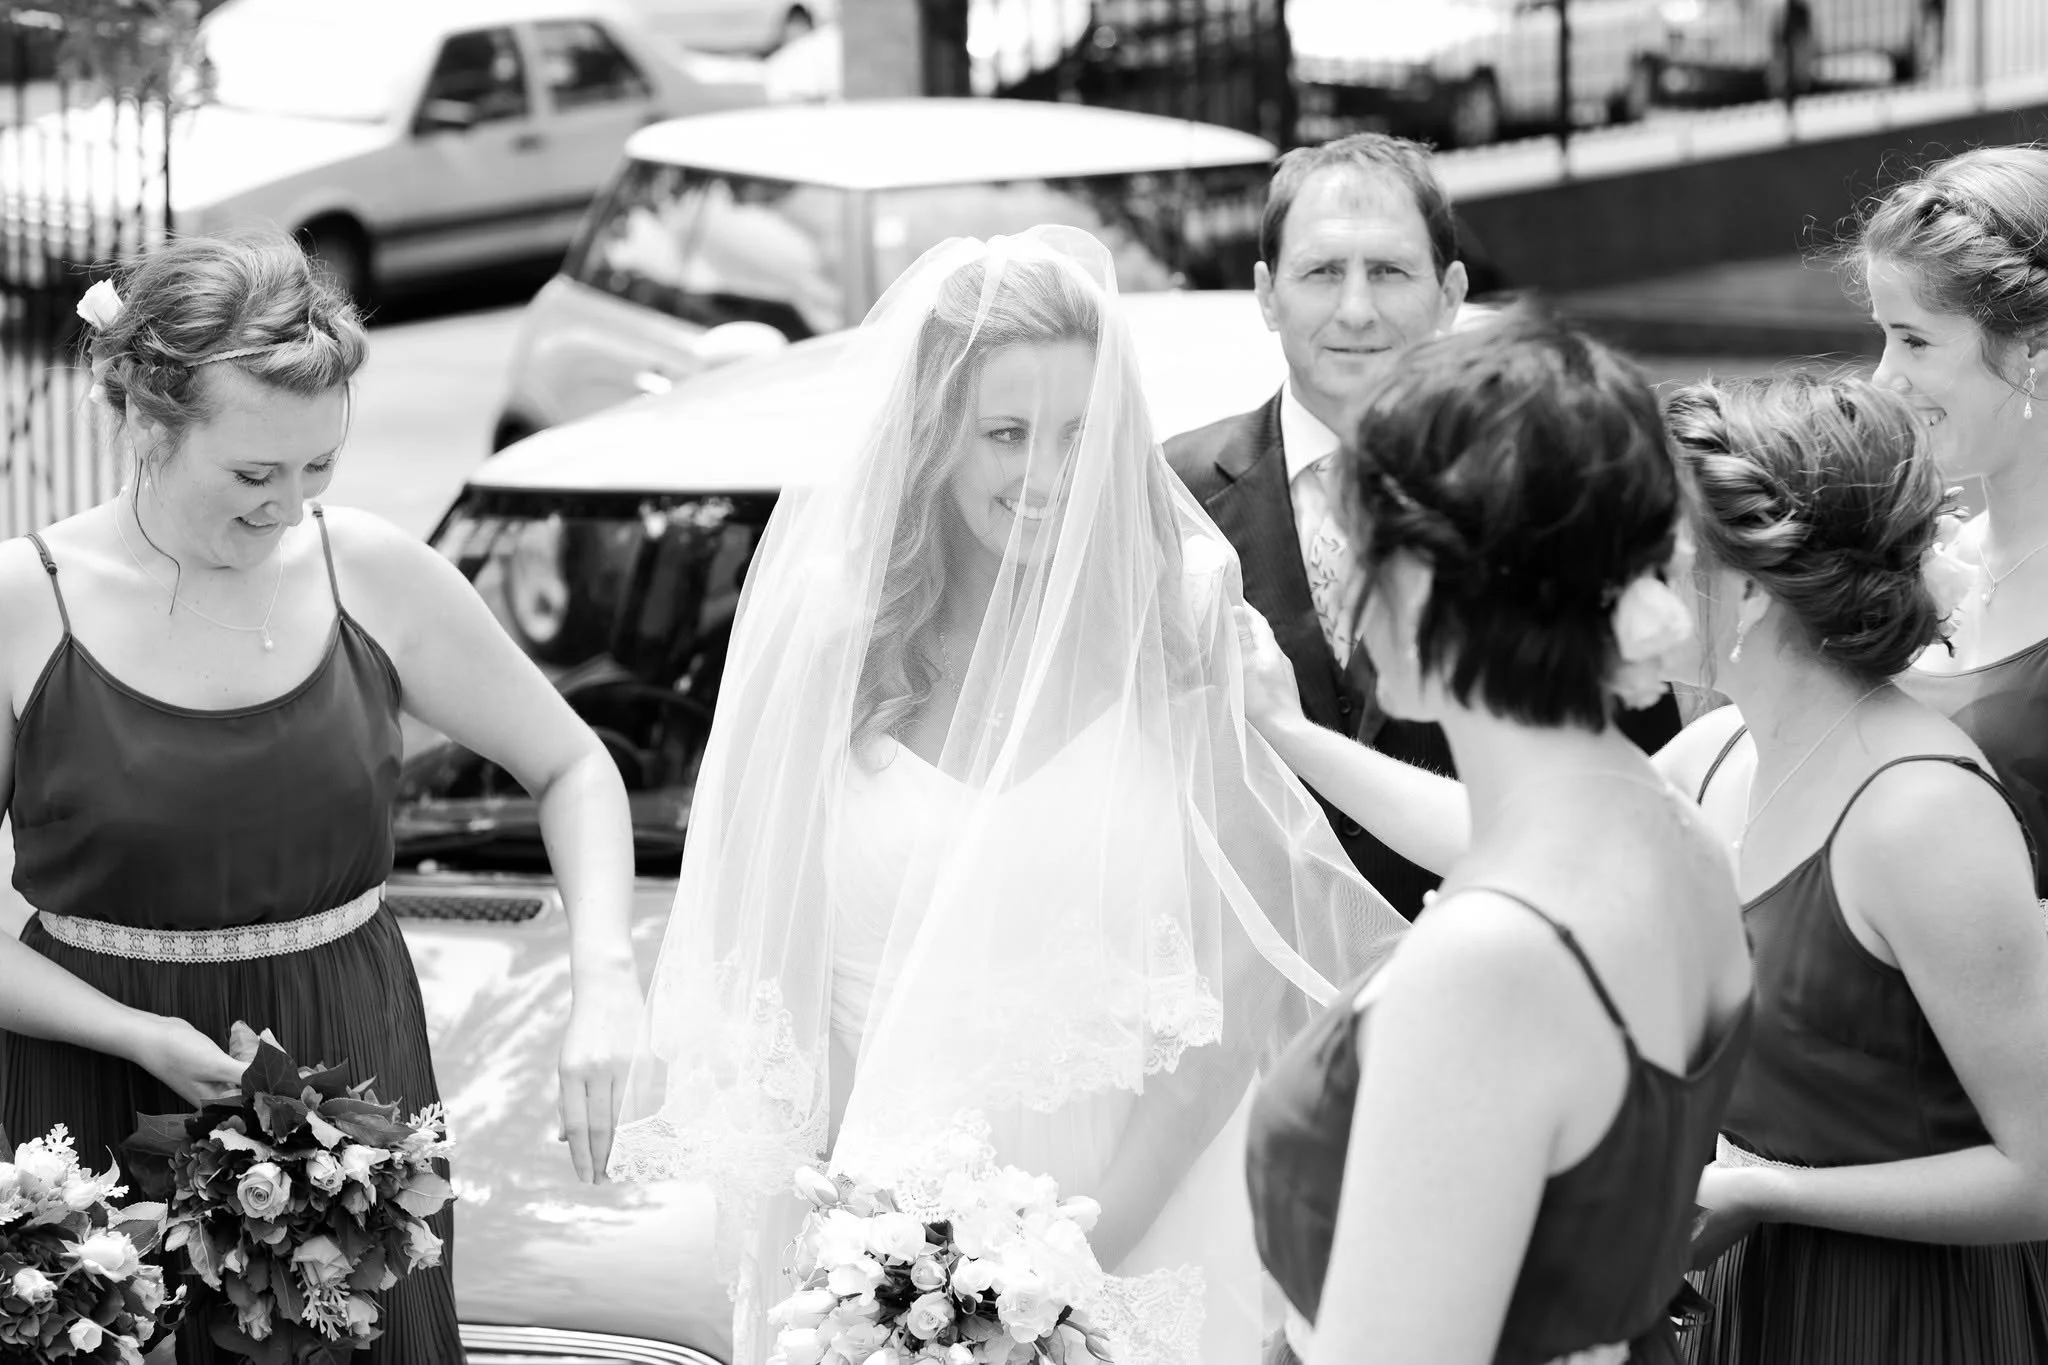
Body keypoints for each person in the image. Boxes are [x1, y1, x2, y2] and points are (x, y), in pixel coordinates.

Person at [606, 228, 1410, 1365]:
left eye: (1077, 436)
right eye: (1003, 434)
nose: (1042, 476)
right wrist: (879, 1269)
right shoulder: (834, 625)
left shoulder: (1176, 605)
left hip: (1148, 1223)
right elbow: (769, 987)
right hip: (876, 1248)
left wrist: (1073, 1270)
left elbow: (1235, 971)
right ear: (934, 436)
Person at [0, 232, 644, 1363]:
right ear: (150, 424)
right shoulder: (25, 603)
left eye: (317, 471)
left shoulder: (374, 573)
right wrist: (136, 1032)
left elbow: (574, 764)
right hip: (87, 1092)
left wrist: (605, 979)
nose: (288, 509)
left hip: (351, 1074)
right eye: (252, 475)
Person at [1240, 307, 1752, 1364]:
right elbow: (1503, 824)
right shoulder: (1671, 828)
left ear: (1421, 586)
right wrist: (1284, 729)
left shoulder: (1491, 962)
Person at [1167, 132, 1680, 920]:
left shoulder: (1549, 487)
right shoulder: (1171, 493)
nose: (1357, 308)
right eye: (1322, 271)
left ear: (1450, 293)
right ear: (1268, 294)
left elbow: (1632, 766)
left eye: (1390, 271)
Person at [1657, 376, 2048, 1363]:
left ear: (1746, 587)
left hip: (1900, 1317)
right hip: (1745, 1299)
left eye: (1650, 548)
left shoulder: (1919, 817)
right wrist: (1277, 733)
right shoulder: (1714, 755)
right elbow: (1507, 825)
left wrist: (1761, 1191)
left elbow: (2039, 1173)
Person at [1852, 146, 2048, 899]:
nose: (1882, 378)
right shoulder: (1943, 554)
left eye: (1915, 340)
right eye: (1884, 335)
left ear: (2034, 348)